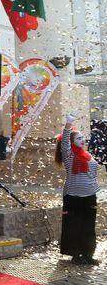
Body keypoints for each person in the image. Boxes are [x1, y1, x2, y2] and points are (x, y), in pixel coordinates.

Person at [55, 112, 100, 265]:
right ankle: (75, 254)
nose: (83, 140)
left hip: (90, 196)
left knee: (88, 226)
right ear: (71, 142)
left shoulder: (88, 155)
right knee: (73, 226)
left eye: (83, 138)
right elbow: (65, 140)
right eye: (79, 138)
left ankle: (88, 254)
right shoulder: (69, 155)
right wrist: (69, 123)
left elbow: (93, 173)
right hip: (73, 196)